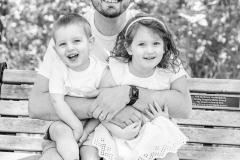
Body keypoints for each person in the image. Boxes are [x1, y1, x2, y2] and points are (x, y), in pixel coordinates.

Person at [28, 1, 192, 160]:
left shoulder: (150, 29)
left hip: (138, 136)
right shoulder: (71, 31)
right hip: (70, 133)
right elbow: (37, 105)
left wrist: (130, 94)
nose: (150, 49)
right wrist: (107, 108)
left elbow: (183, 106)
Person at [89, 13, 190, 160]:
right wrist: (120, 132)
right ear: (129, 48)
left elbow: (179, 109)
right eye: (142, 44)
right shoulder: (118, 71)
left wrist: (165, 119)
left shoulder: (166, 73)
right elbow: (103, 110)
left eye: (156, 43)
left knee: (164, 132)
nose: (149, 50)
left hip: (152, 134)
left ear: (164, 47)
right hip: (120, 133)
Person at [46, 14, 107, 160]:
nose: (70, 48)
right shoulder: (59, 68)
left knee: (91, 152)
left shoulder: (101, 71)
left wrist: (85, 130)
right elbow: (57, 101)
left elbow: (105, 106)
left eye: (77, 41)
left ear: (90, 43)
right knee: (62, 132)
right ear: (56, 50)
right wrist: (76, 127)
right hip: (64, 121)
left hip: (95, 125)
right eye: (62, 44)